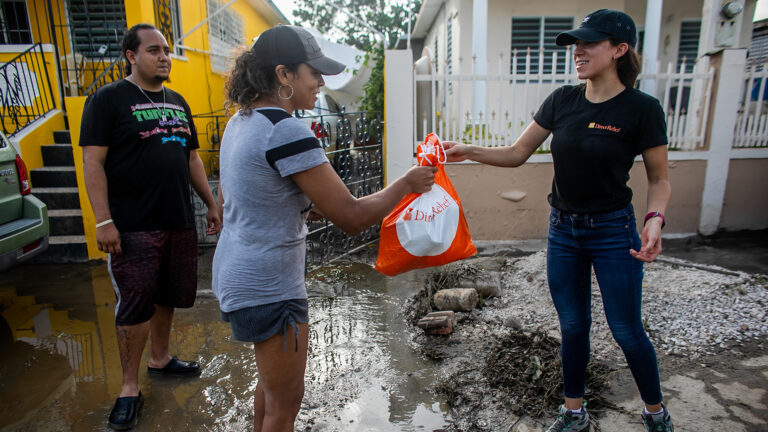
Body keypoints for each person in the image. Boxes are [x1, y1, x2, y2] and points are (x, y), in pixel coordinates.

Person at [443, 10, 674, 432]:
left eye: (589, 43)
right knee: (572, 326)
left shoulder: (642, 109)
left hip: (613, 232)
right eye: (575, 44)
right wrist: (469, 150)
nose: (578, 51)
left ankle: (655, 412)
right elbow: (517, 153)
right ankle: (573, 412)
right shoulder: (563, 100)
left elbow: (659, 179)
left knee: (625, 330)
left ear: (620, 50)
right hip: (563, 231)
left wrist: (655, 219)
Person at [212, 25, 436, 432]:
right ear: (284, 75)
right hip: (270, 286)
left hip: (235, 274)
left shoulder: (240, 123)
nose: (321, 82)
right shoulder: (287, 130)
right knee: (285, 404)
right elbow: (351, 217)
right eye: (313, 71)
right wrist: (406, 184)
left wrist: (300, 207)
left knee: (269, 388)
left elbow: (247, 195)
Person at [80, 23, 220, 431]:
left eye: (167, 50)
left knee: (168, 295)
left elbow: (191, 158)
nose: (164, 57)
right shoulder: (107, 100)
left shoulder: (177, 101)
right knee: (135, 303)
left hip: (177, 218)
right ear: (131, 55)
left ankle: (160, 359)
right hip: (132, 224)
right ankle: (127, 388)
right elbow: (93, 163)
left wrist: (210, 203)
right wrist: (104, 220)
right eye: (154, 50)